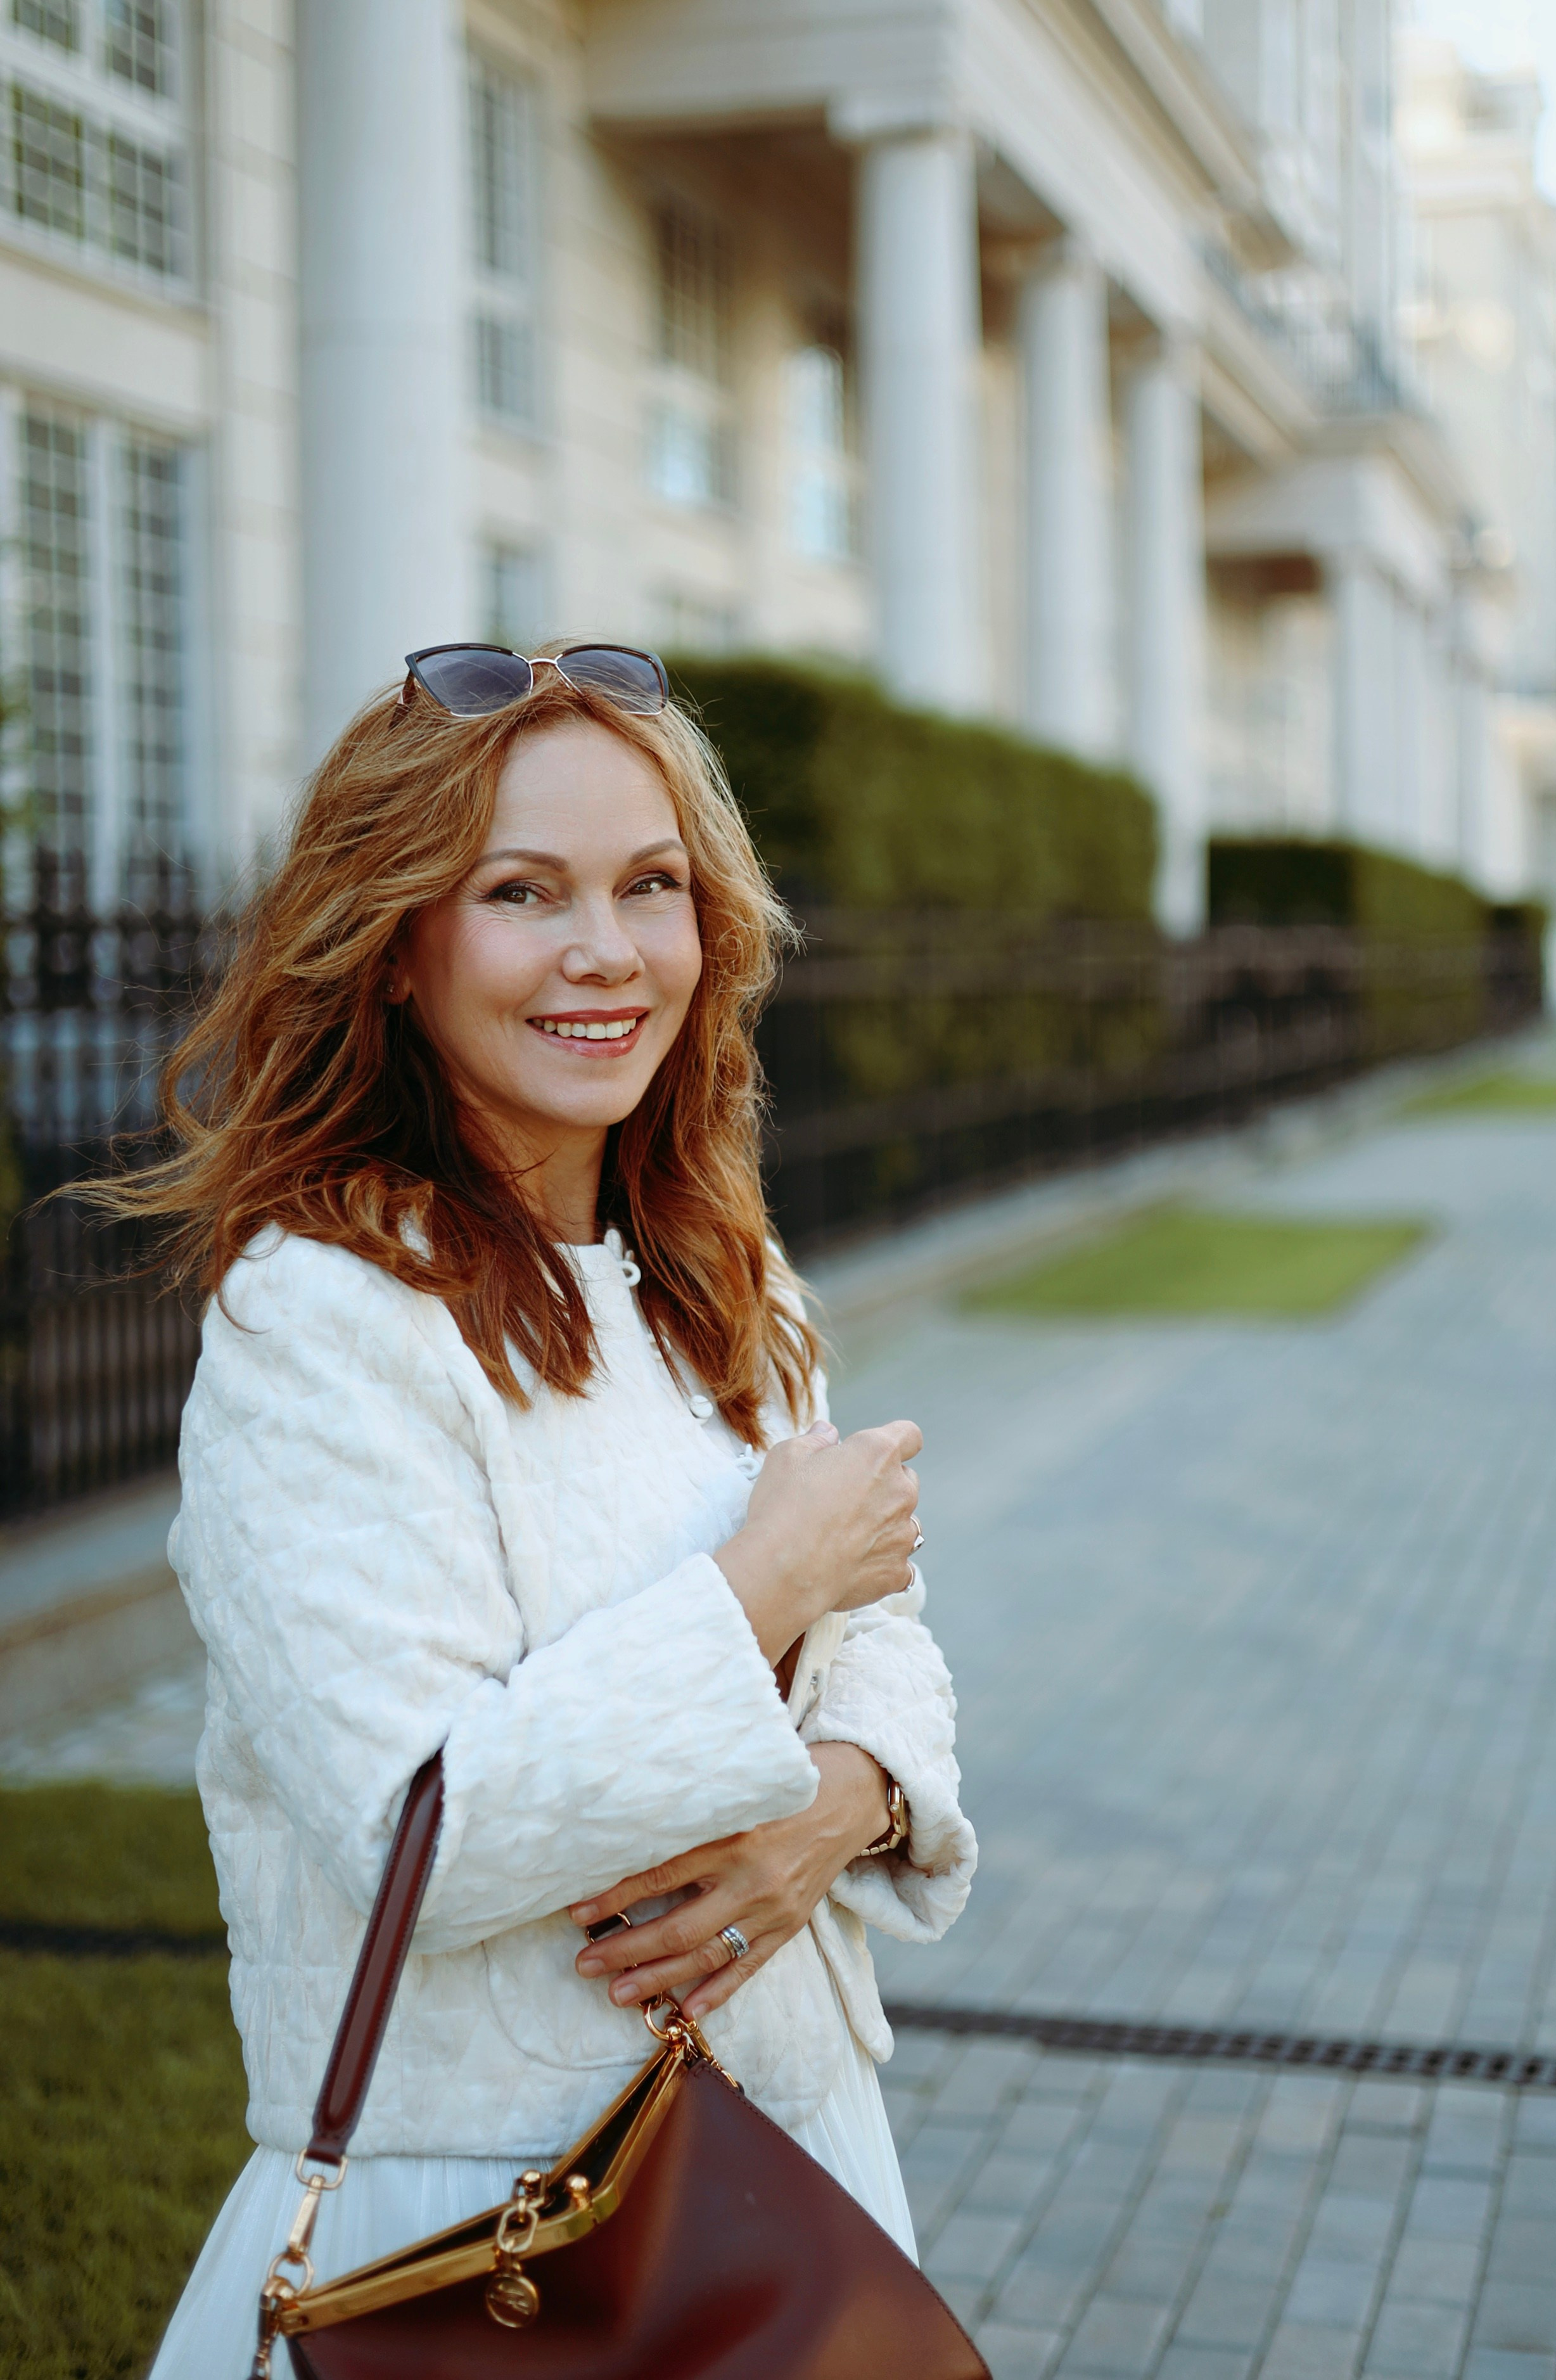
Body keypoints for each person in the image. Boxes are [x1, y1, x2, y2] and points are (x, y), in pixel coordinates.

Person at [120, 643, 976, 2376]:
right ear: (401, 943)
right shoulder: (327, 1316)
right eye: (525, 891)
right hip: (484, 2239)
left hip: (790, 2178)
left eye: (649, 886)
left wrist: (850, 1799)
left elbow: (881, 1619)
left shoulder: (726, 1281)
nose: (607, 950)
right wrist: (756, 1586)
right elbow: (418, 1824)